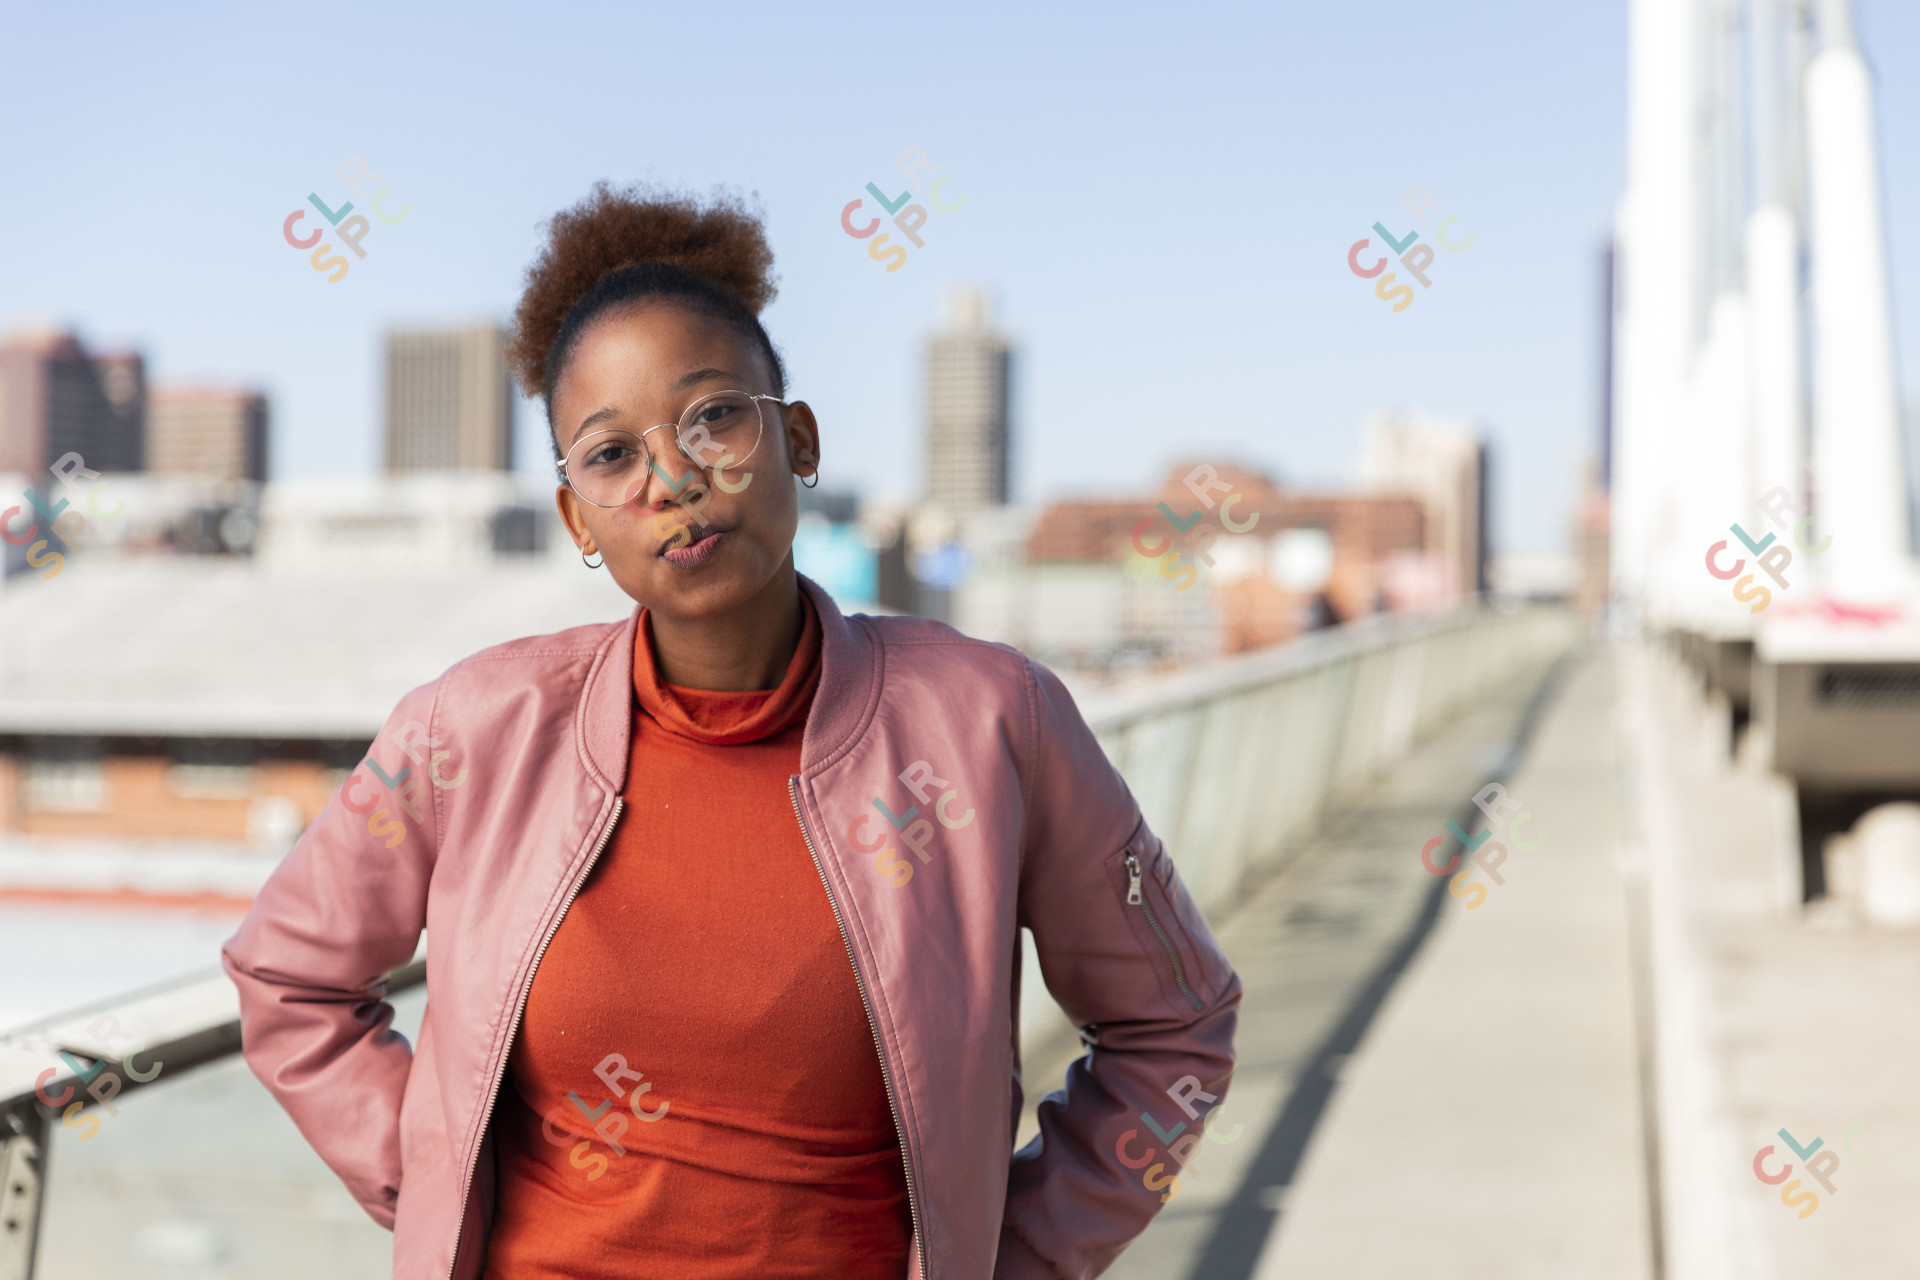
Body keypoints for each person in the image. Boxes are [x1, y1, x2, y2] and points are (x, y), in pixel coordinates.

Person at [223, 182, 1240, 1280]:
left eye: (714, 417)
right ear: (577, 518)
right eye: (611, 454)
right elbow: (289, 974)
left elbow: (1172, 1027)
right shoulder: (474, 727)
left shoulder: (994, 719)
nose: (673, 479)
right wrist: (436, 1193)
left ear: (796, 437)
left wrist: (1015, 1257)